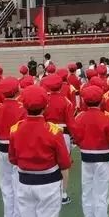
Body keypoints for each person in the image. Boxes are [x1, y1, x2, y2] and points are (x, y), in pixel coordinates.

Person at [9, 85, 71, 217]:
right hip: (48, 184)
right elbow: (64, 161)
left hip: (25, 183)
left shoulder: (15, 129)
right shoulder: (54, 130)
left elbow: (12, 158)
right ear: (45, 106)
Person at [72, 85, 109, 217]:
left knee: (87, 194)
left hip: (86, 158)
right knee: (101, 196)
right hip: (103, 159)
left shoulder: (79, 118)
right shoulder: (108, 118)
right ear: (101, 100)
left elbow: (76, 139)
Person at [0, 77, 26, 217]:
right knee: (18, 184)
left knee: (5, 184)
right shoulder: (22, 108)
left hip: (3, 148)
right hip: (18, 148)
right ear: (17, 90)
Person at [41, 74, 75, 205]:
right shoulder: (66, 101)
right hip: (62, 133)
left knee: (47, 161)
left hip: (46, 131)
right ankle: (63, 194)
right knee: (64, 164)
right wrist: (74, 136)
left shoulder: (44, 99)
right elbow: (71, 122)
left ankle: (47, 192)